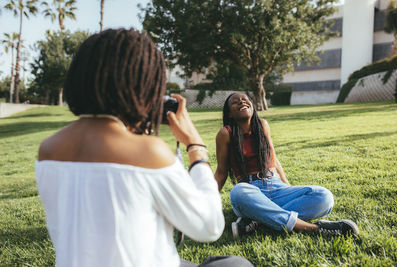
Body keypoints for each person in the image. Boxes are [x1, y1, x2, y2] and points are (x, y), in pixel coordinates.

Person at [35, 29, 253, 267]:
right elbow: (209, 227)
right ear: (143, 85)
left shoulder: (48, 150)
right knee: (235, 264)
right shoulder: (148, 152)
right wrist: (195, 146)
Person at [214, 93, 359, 238]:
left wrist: (287, 187)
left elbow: (274, 160)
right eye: (235, 102)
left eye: (245, 99)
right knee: (238, 192)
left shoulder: (262, 125)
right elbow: (221, 172)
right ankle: (314, 228)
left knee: (324, 197)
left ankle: (258, 219)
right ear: (230, 114)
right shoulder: (225, 134)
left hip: (276, 187)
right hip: (250, 191)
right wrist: (207, 202)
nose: (242, 102)